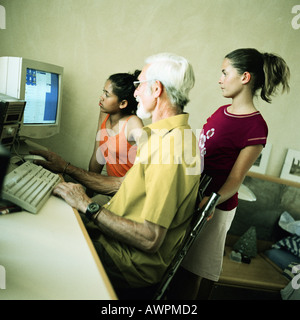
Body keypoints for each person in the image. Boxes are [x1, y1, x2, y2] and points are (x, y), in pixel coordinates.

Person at [52, 53, 201, 299]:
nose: (134, 93)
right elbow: (122, 185)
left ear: (156, 89)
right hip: (115, 245)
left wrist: (88, 206)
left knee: (44, 251)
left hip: (127, 264)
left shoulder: (171, 149)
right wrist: (68, 171)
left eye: (139, 85)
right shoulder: (165, 137)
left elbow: (149, 239)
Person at [170, 48, 290, 299]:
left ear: (245, 77)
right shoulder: (219, 112)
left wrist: (209, 202)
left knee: (194, 271)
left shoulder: (256, 126)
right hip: (196, 196)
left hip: (216, 205)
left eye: (225, 73)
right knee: (177, 266)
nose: (220, 79)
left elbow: (235, 180)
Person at [31, 71, 143, 197]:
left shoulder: (133, 123)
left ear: (122, 103)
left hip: (126, 193)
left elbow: (149, 155)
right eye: (103, 92)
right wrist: (88, 194)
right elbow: (97, 156)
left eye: (107, 94)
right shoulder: (105, 113)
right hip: (108, 188)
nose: (101, 97)